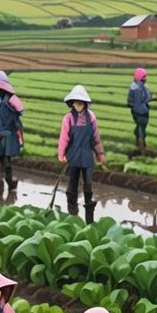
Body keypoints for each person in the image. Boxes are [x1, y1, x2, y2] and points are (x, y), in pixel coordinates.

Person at [57, 86, 102, 223]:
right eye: (76, 103)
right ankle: (72, 212)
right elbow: (64, 138)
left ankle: (89, 215)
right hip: (74, 156)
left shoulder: (91, 117)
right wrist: (61, 154)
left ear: (85, 104)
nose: (78, 106)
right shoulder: (68, 119)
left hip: (87, 156)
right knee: (73, 184)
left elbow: (95, 137)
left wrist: (100, 153)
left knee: (88, 184)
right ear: (72, 103)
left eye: (81, 103)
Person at [0, 71, 23, 204]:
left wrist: (3, 133)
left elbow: (16, 117)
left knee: (7, 162)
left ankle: (11, 186)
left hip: (8, 136)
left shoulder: (11, 99)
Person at [127, 67, 151, 155]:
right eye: (144, 77)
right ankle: (141, 148)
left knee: (140, 128)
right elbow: (138, 102)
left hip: (139, 110)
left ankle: (140, 144)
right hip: (140, 112)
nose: (146, 79)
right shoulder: (137, 88)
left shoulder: (138, 86)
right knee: (141, 129)